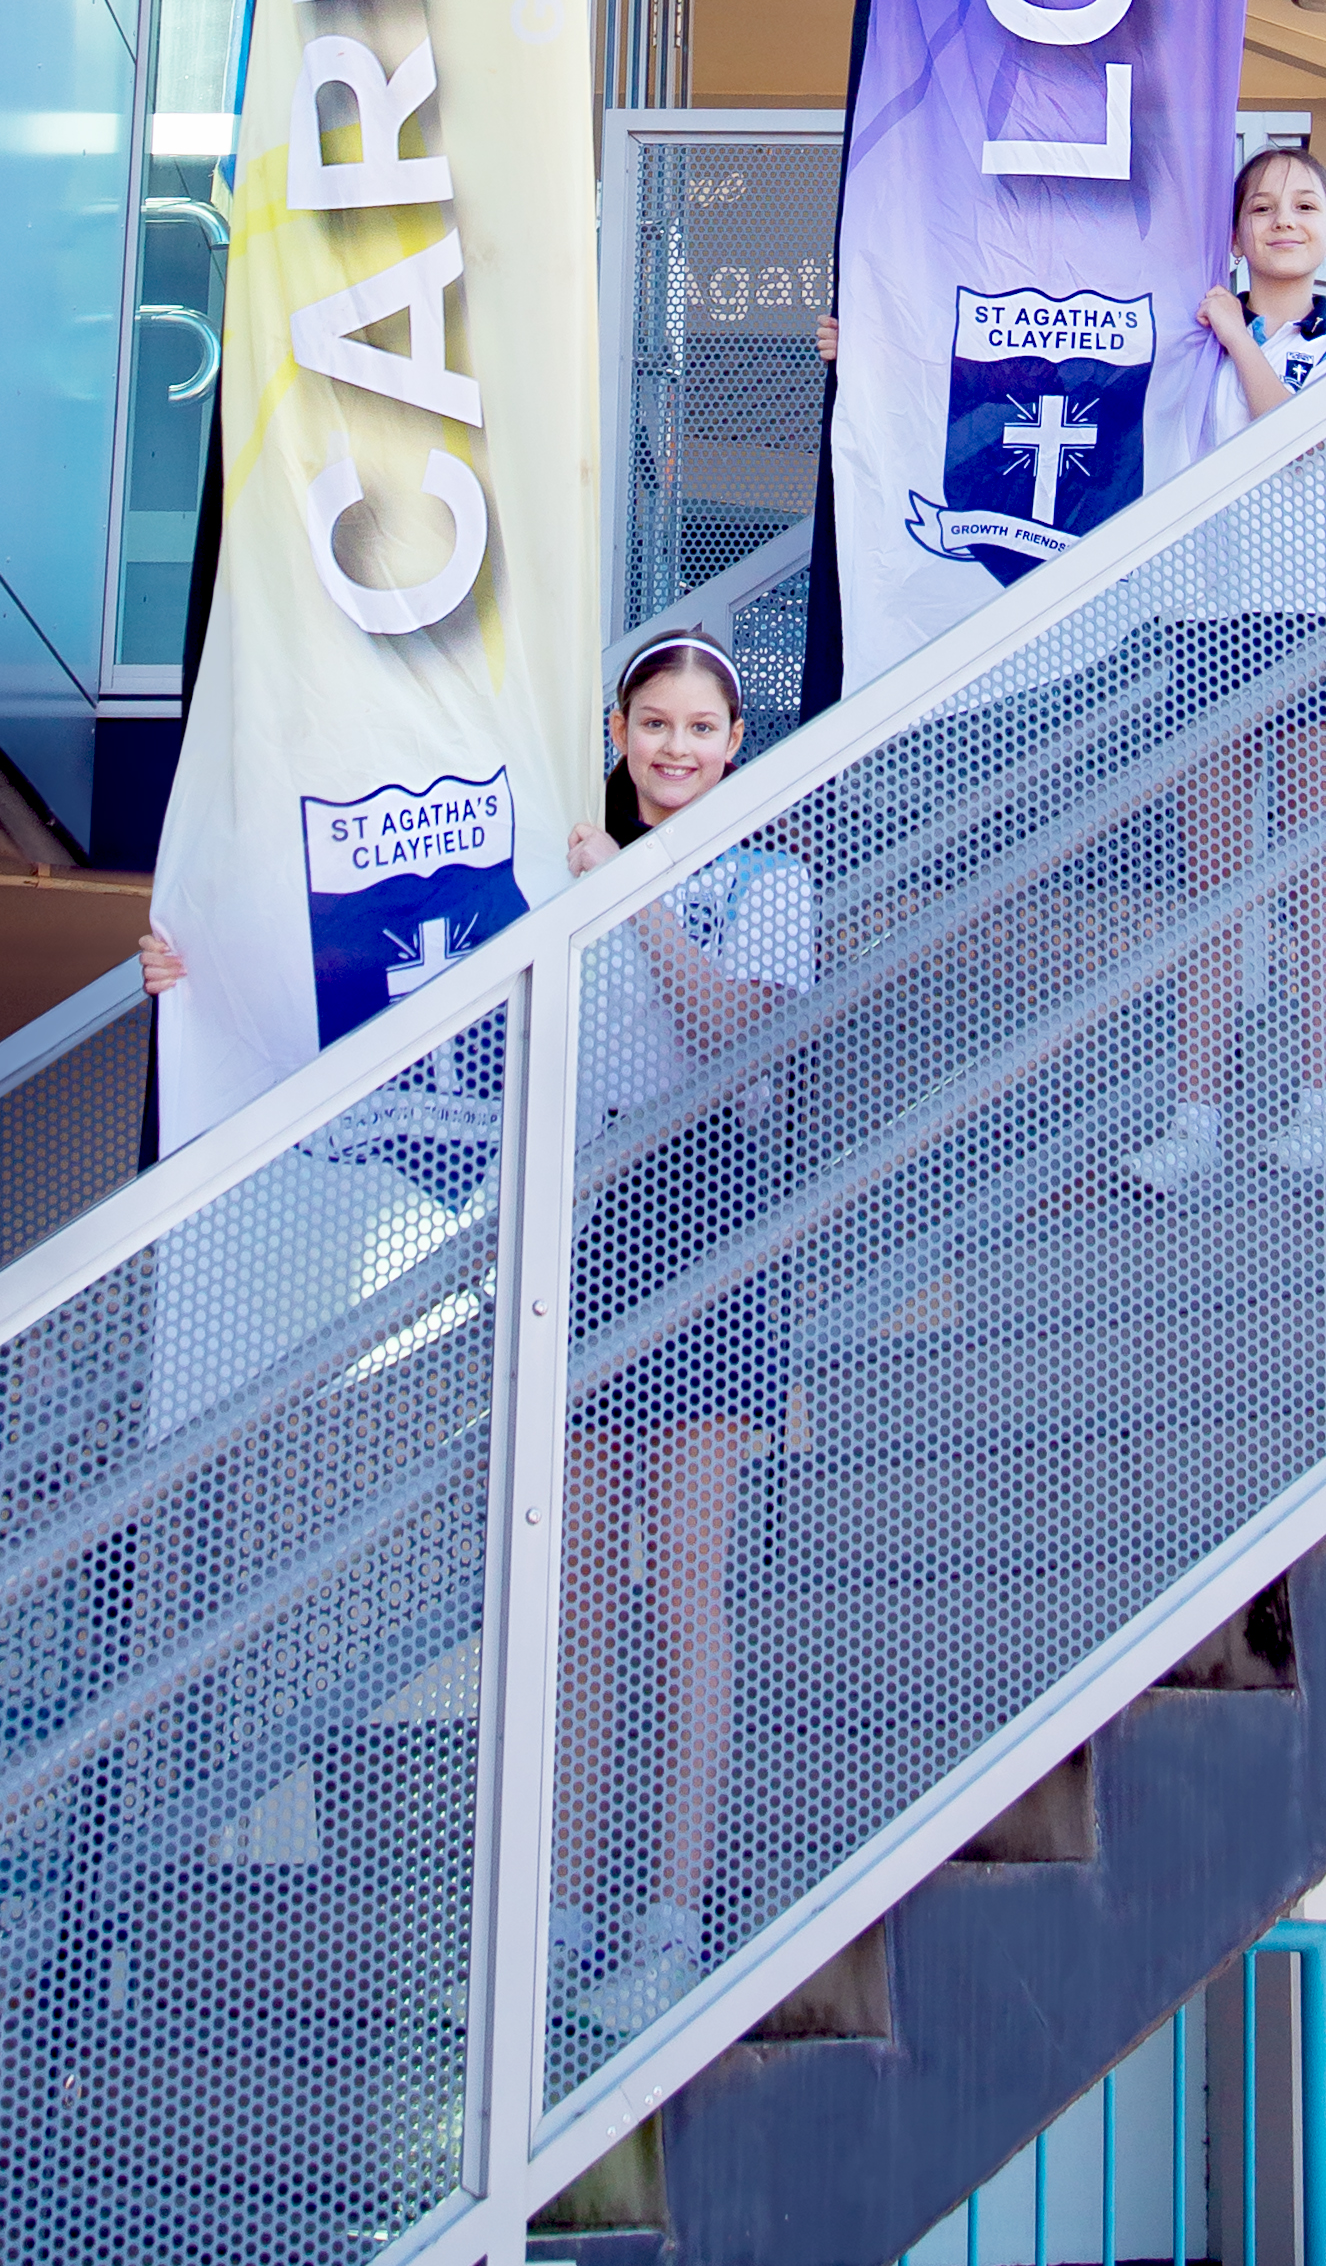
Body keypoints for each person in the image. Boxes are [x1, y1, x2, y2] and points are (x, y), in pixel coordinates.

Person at [554, 631, 814, 2038]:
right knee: (584, 1582)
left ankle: (671, 1909)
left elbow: (732, 1036)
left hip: (708, 1205)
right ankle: (564, 1905)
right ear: (617, 727)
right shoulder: (567, 867)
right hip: (590, 1213)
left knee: (683, 1581)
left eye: (699, 723)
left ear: (732, 741)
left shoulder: (767, 881)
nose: (672, 744)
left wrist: (638, 894)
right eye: (650, 720)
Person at [1123, 141, 1326, 1196]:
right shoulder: (1189, 342)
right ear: (1230, 233)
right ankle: (1197, 1121)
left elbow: (1295, 441)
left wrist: (1236, 336)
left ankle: (1323, 1104)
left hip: (1310, 617)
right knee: (1216, 885)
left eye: (1304, 205)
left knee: (1315, 872)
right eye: (1261, 205)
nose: (1282, 218)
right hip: (1205, 619)